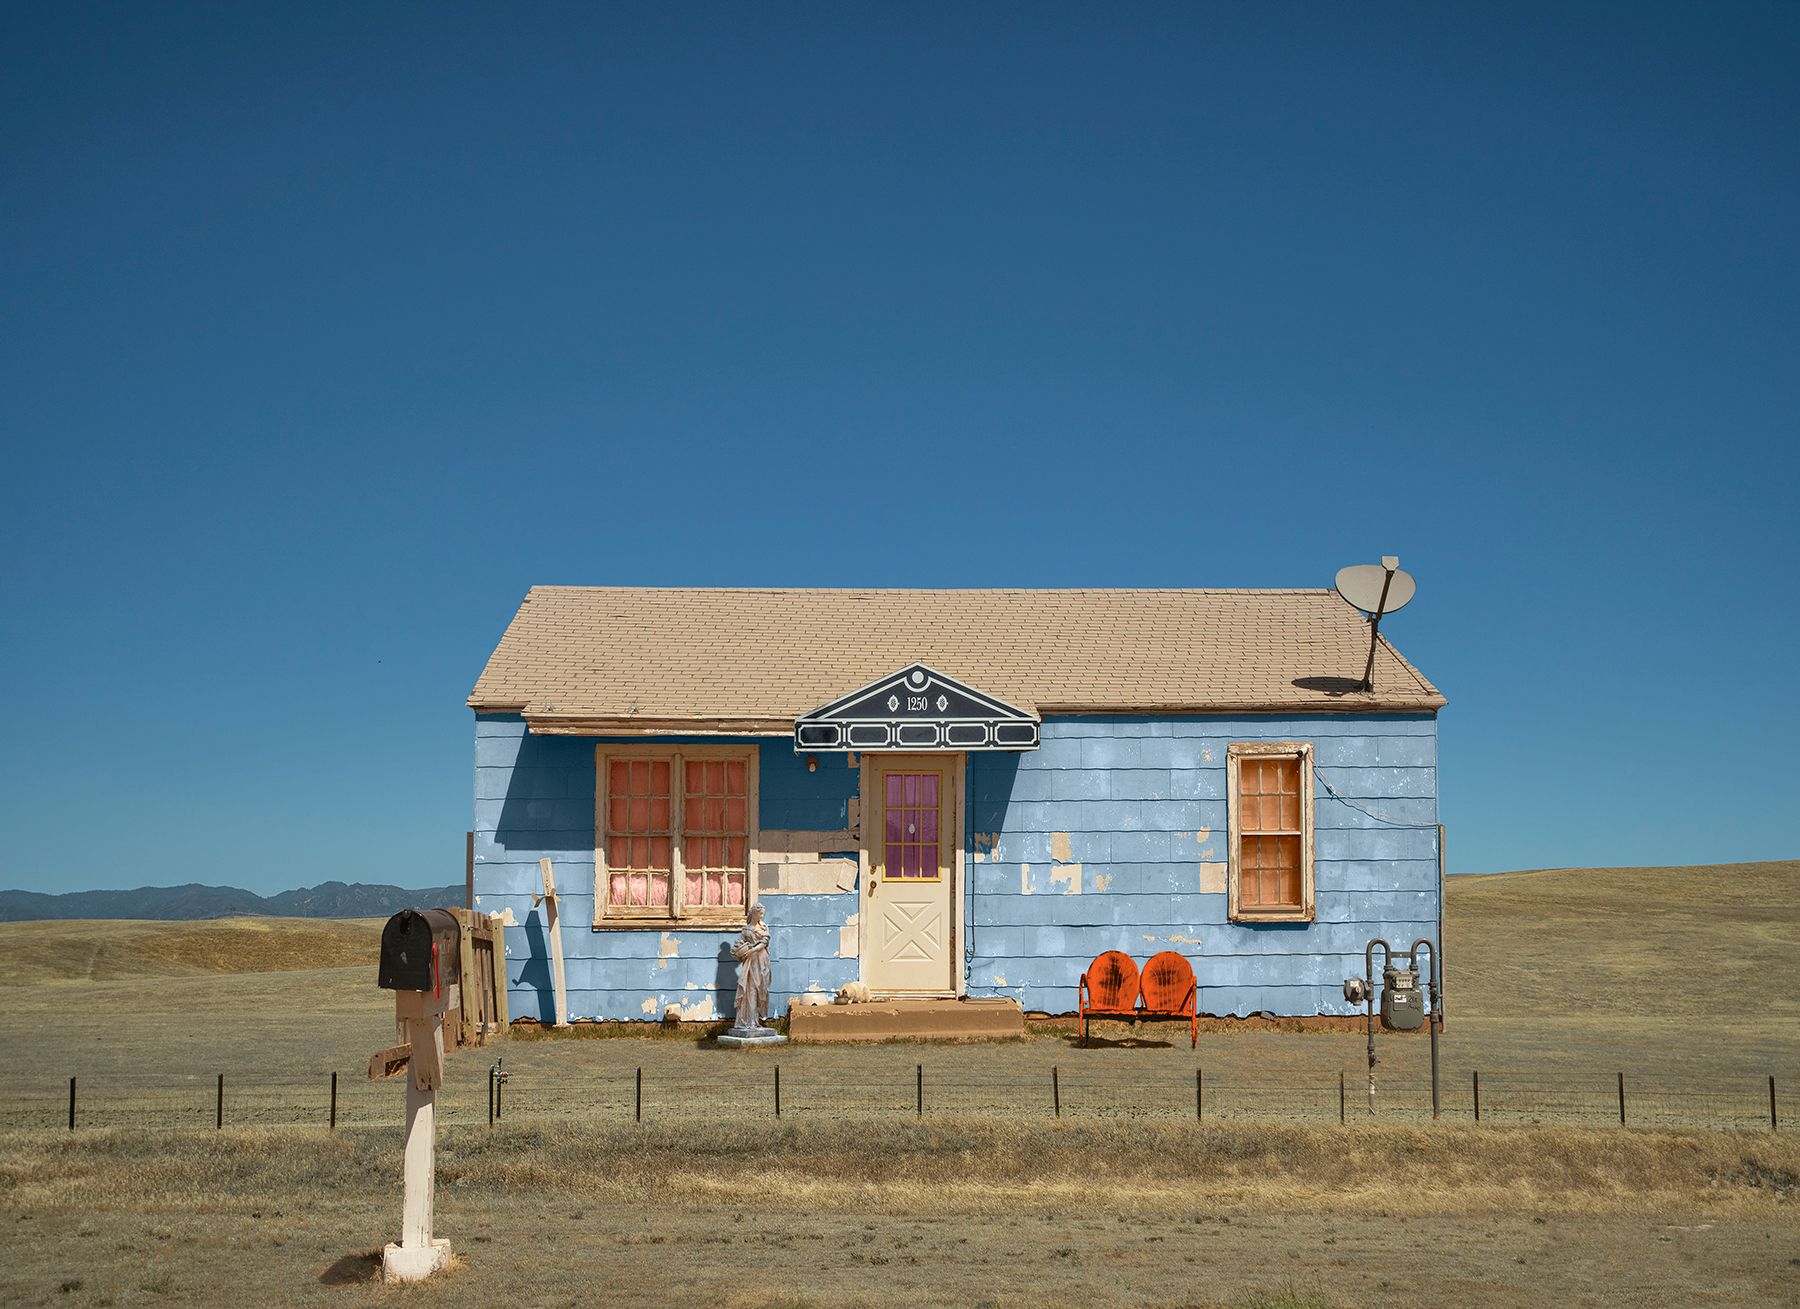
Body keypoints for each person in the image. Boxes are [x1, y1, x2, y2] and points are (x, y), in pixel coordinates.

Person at [730, 903, 772, 1034]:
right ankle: (750, 1020)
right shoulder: (746, 929)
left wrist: (752, 950)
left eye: (763, 914)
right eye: (760, 913)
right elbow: (739, 943)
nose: (762, 916)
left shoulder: (764, 927)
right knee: (751, 989)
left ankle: (757, 1019)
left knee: (761, 989)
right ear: (754, 913)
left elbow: (764, 943)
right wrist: (737, 950)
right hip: (750, 961)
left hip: (761, 959)